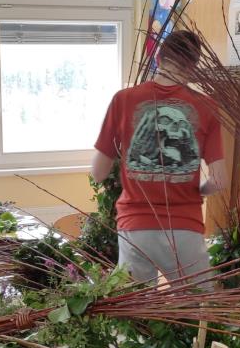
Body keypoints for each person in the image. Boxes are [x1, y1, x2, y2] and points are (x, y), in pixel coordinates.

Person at [90, 28, 225, 287]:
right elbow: (219, 180)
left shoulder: (123, 100)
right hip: (185, 226)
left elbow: (98, 173)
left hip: (135, 226)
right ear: (193, 67)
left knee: (138, 307)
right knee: (195, 306)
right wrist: (197, 190)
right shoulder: (207, 106)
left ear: (158, 58)